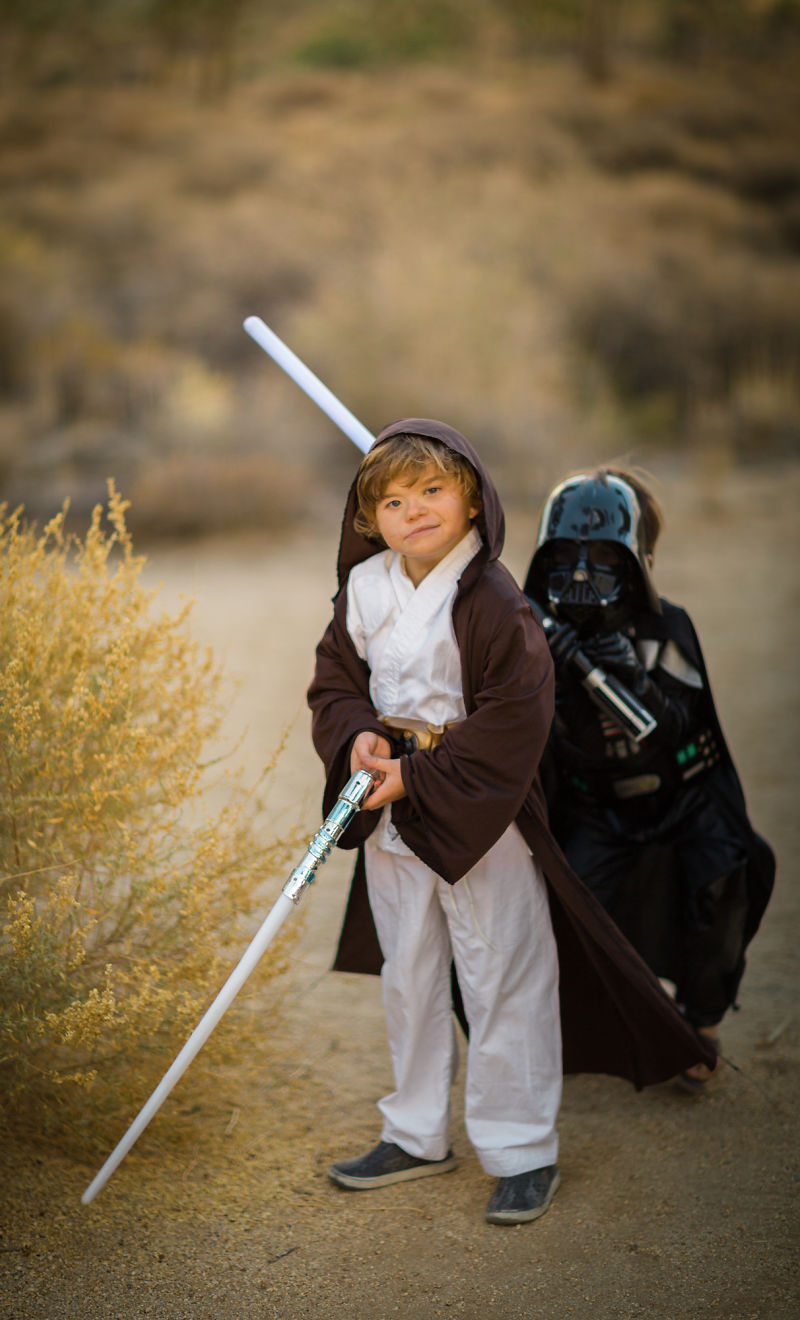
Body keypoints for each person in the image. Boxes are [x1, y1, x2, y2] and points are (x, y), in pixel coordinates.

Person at [307, 420, 715, 1227]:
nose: (413, 510)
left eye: (432, 491)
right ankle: (417, 1131)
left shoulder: (498, 605)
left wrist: (416, 775)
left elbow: (514, 723)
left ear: (472, 503)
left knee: (502, 975)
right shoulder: (365, 591)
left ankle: (522, 1147)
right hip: (387, 809)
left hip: (477, 814)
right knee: (409, 972)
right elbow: (335, 680)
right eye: (392, 500)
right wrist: (357, 731)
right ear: (367, 519)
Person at [523, 467, 775, 1091]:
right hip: (593, 806)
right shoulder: (529, 635)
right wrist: (545, 674)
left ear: (641, 561)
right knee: (566, 903)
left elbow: (679, 725)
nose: (582, 578)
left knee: (724, 873)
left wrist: (631, 680)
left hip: (682, 798)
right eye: (567, 559)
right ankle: (589, 1026)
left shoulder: (666, 629)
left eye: (605, 559)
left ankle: (702, 1019)